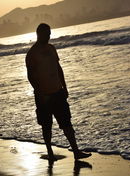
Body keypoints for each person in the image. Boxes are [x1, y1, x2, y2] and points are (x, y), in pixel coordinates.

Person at [25, 23, 91, 163]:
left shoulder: (51, 48)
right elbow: (30, 76)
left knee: (67, 122)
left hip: (57, 92)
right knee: (46, 125)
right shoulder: (32, 53)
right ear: (39, 34)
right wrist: (40, 92)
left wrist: (64, 87)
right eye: (47, 33)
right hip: (43, 96)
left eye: (50, 33)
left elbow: (58, 68)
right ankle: (49, 152)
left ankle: (76, 151)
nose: (49, 36)